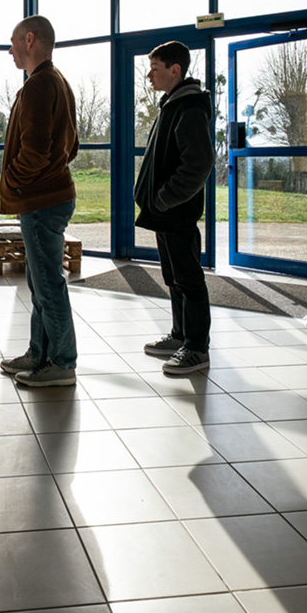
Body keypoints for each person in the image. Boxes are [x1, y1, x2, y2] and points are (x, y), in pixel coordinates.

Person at [0, 15, 79, 387]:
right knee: (40, 281)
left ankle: (61, 362)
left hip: (42, 201)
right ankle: (39, 353)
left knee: (48, 283)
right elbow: (71, 147)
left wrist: (13, 183)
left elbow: (33, 152)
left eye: (14, 42)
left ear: (30, 40)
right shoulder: (58, 81)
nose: (11, 49)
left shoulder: (37, 87)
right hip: (51, 197)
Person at [135, 40, 214, 374]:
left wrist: (164, 198)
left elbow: (198, 164)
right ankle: (180, 335)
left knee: (189, 278)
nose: (149, 76)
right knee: (174, 278)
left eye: (154, 68)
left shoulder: (189, 107)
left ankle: (196, 348)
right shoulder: (172, 103)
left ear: (175, 70)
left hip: (176, 212)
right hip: (165, 214)